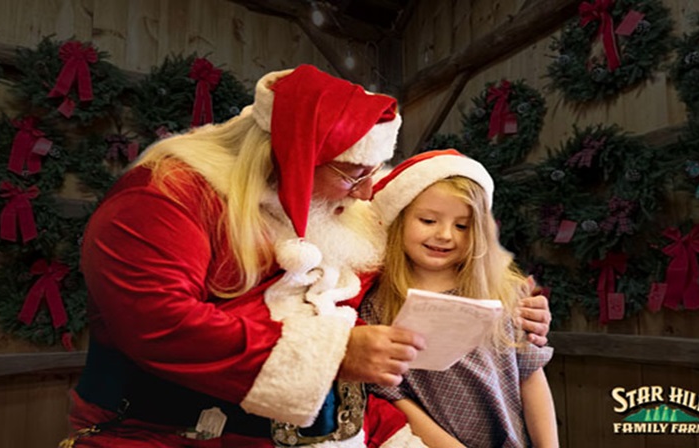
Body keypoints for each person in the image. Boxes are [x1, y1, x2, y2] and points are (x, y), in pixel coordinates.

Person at [61, 64, 551, 447]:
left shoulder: (336, 209)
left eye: (373, 172)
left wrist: (519, 305)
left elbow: (420, 273)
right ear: (292, 157)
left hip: (339, 430)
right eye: (353, 173)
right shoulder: (166, 199)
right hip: (163, 432)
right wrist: (335, 352)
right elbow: (161, 324)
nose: (365, 193)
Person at [360, 149, 559, 448]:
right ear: (400, 219)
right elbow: (394, 399)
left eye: (462, 226)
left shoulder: (504, 291)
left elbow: (530, 377)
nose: (445, 235)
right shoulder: (379, 305)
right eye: (428, 220)